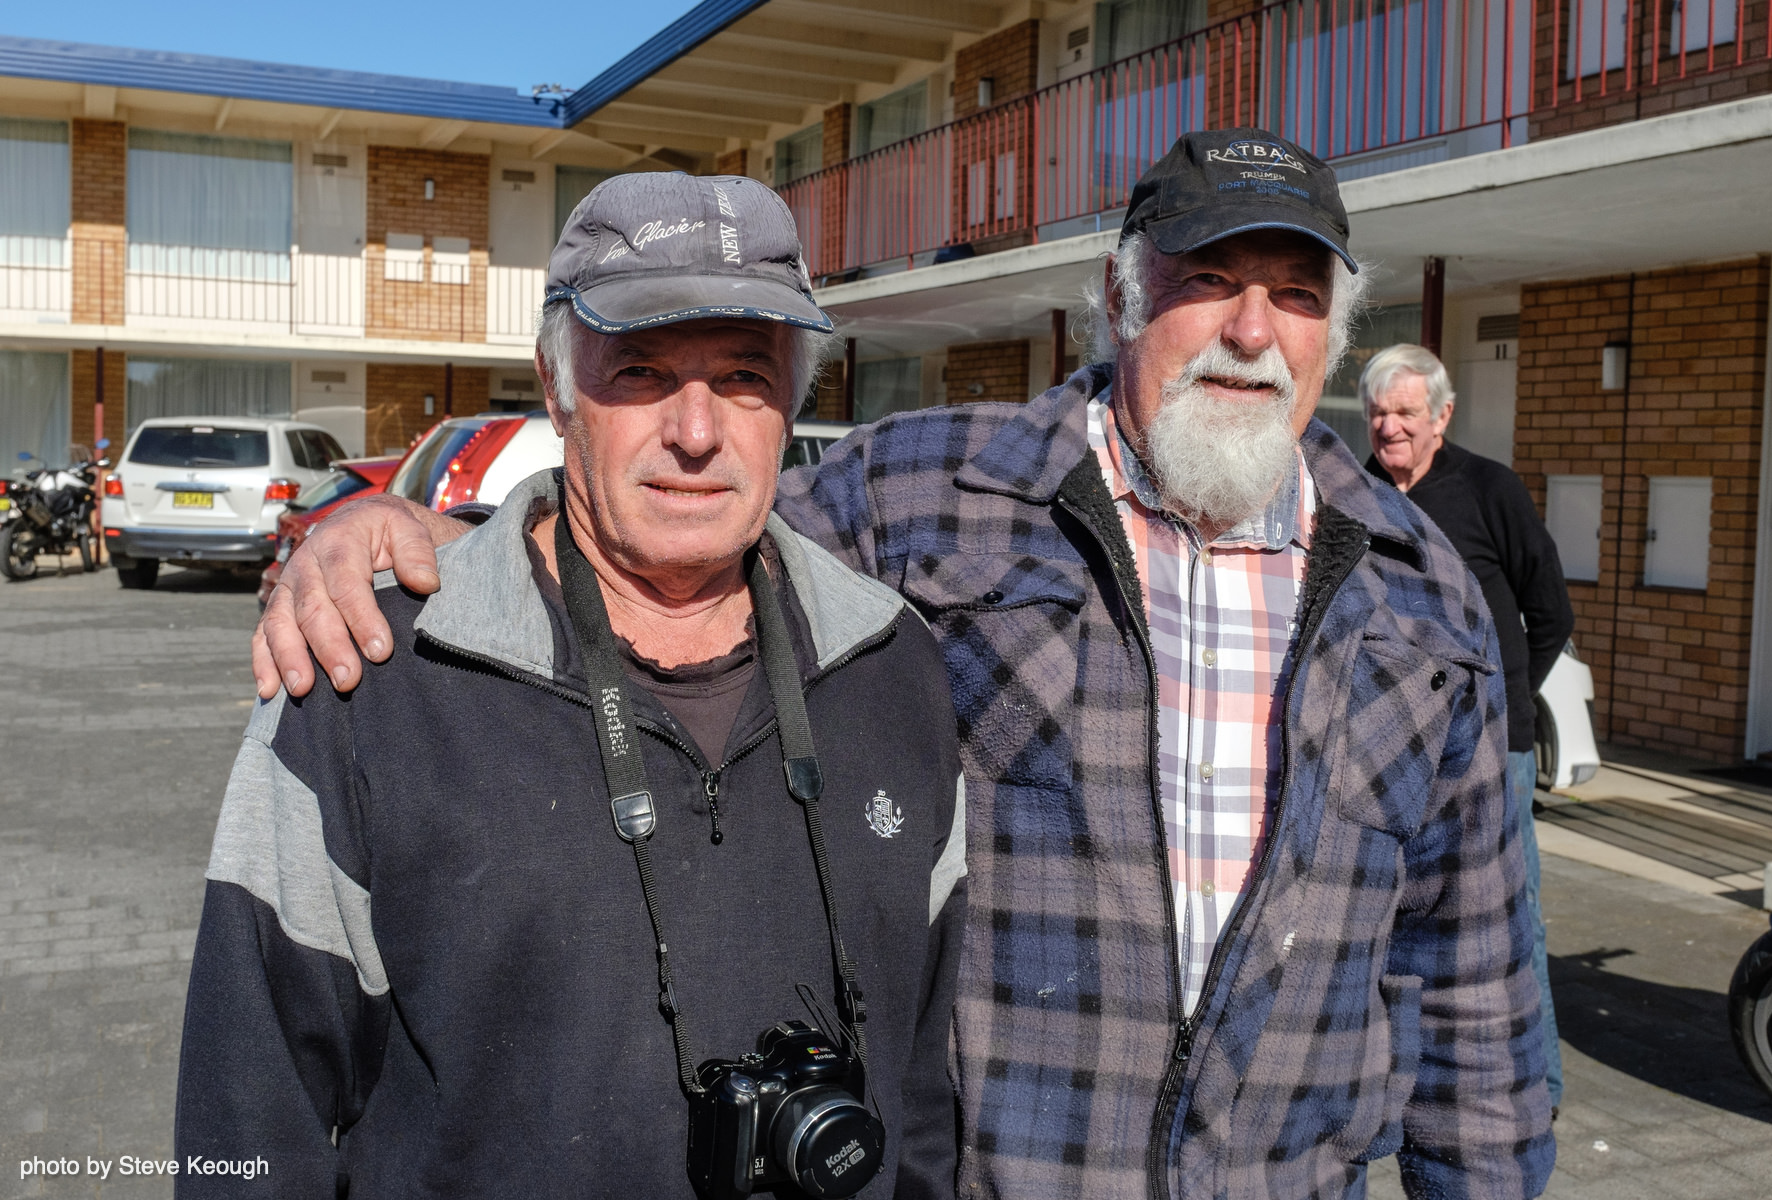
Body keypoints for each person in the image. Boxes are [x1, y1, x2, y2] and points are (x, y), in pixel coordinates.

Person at [254, 130, 1555, 1198]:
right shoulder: (930, 493)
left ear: (1335, 332)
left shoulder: (1420, 597)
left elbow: (1473, 992)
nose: (1252, 329)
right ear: (1121, 298)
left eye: (1297, 294)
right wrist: (451, 545)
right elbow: (673, 546)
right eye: (1207, 278)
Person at [174, 173, 968, 1198]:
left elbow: (923, 1091)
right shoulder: (369, 677)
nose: (696, 431)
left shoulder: (893, 667)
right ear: (554, 391)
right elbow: (247, 1113)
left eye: (743, 375)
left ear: (789, 403)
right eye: (640, 371)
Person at [1362, 342, 1575, 1115]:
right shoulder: (1353, 494)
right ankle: (1401, 1081)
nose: (1389, 426)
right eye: (1378, 412)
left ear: (1442, 415)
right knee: (1390, 915)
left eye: (1406, 412)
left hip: (1491, 746)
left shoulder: (1490, 489)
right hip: (1387, 746)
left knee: (1509, 915)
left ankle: (1536, 1085)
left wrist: (1501, 699)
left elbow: (1550, 613)